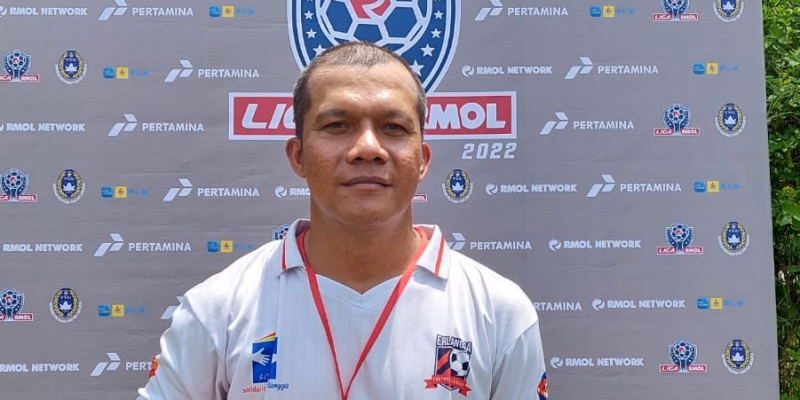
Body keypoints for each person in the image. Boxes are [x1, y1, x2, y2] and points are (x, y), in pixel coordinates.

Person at [137, 41, 547, 400]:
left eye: (393, 127)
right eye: (338, 125)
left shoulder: (499, 313)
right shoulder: (217, 309)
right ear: (298, 156)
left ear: (422, 160)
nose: (367, 148)